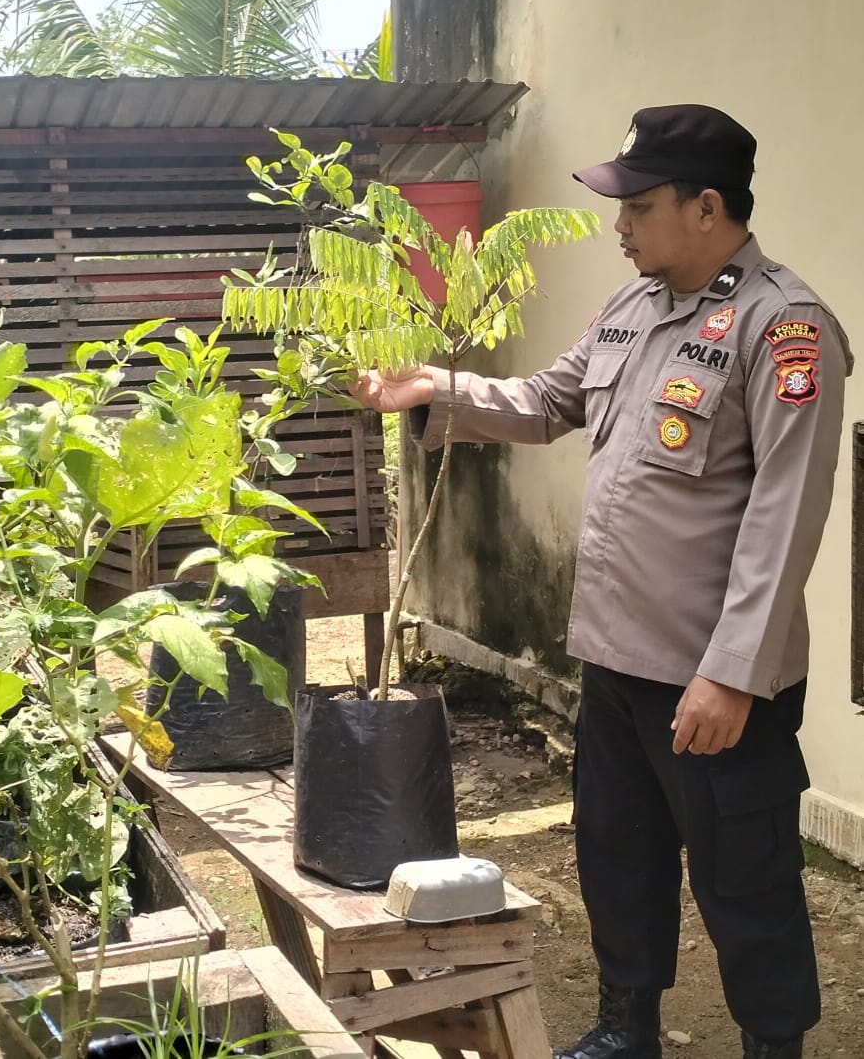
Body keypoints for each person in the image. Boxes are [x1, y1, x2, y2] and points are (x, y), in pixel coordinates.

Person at [351, 105, 852, 1059]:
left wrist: (734, 673)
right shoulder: (634, 308)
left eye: (638, 204)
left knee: (746, 879)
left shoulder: (784, 330)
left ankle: (773, 1044)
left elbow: (787, 516)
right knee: (617, 856)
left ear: (707, 208)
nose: (617, 224)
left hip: (714, 677)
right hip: (615, 657)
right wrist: (436, 390)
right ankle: (629, 1026)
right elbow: (548, 402)